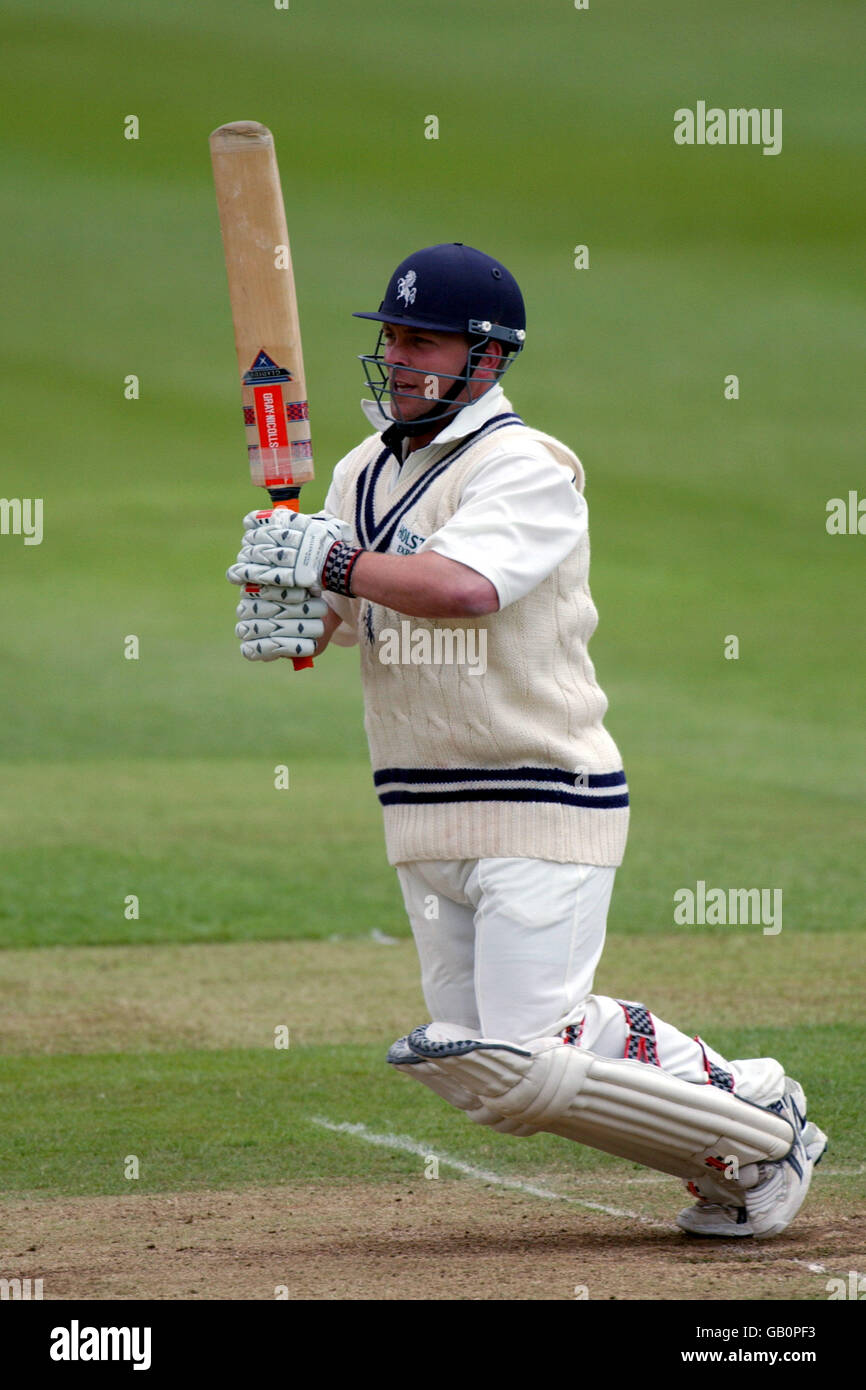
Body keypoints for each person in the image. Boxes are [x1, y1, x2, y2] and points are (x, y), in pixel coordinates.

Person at [227, 242, 827, 1238]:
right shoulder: (355, 472)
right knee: (486, 1077)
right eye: (390, 337)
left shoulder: (528, 467)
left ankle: (756, 1097)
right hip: (420, 809)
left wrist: (331, 558)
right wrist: (291, 614)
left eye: (421, 340)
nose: (398, 355)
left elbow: (463, 589)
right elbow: (348, 611)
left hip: (539, 791)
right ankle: (735, 1152)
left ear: (486, 359)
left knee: (524, 1045)